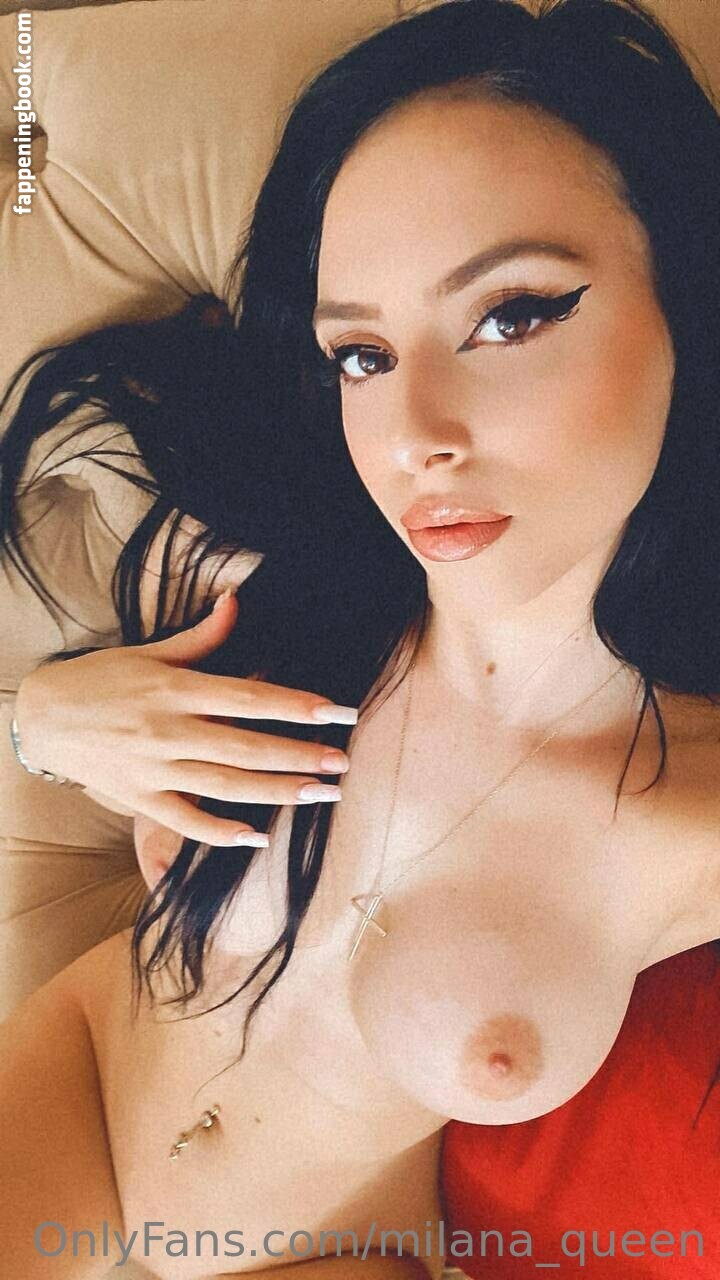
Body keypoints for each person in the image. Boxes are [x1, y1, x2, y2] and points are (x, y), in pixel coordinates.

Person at [1, 0, 719, 1277]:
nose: (415, 435)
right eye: (363, 355)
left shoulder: (691, 819)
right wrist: (44, 720)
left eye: (511, 316)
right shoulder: (269, 579)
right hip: (74, 1071)